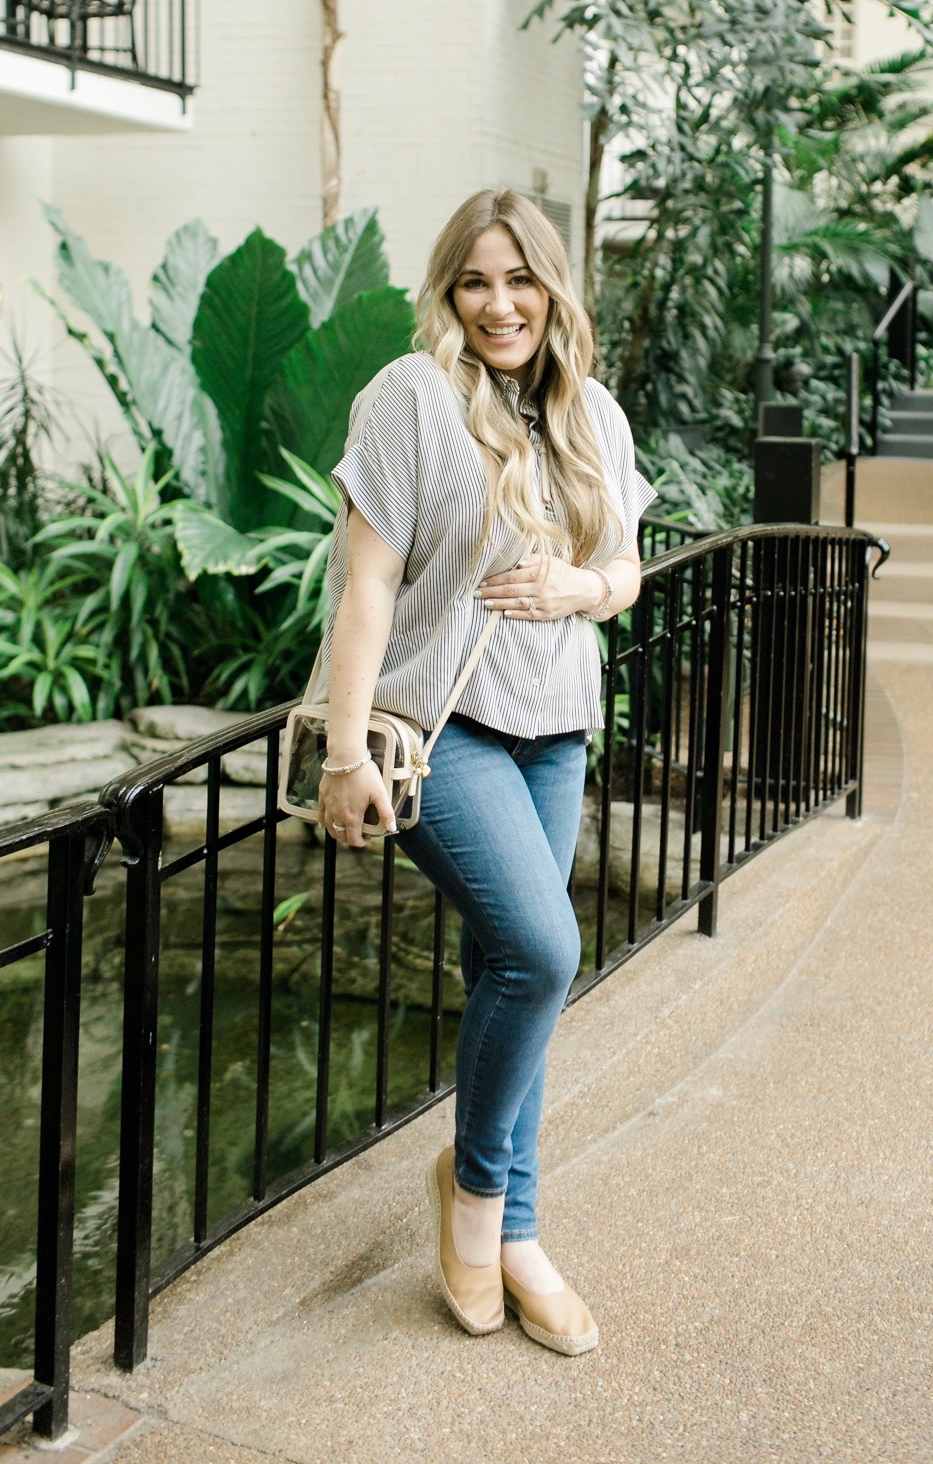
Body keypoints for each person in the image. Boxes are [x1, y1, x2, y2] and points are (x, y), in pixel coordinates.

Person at [315, 189, 655, 1357]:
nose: (499, 303)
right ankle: (477, 1205)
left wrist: (583, 587)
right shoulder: (410, 396)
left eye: (520, 279)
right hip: (441, 729)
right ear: (448, 291)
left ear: (554, 288)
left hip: (555, 725)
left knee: (521, 978)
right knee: (545, 949)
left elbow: (626, 566)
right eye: (475, 280)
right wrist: (344, 747)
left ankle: (518, 1233)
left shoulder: (589, 411)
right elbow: (368, 582)